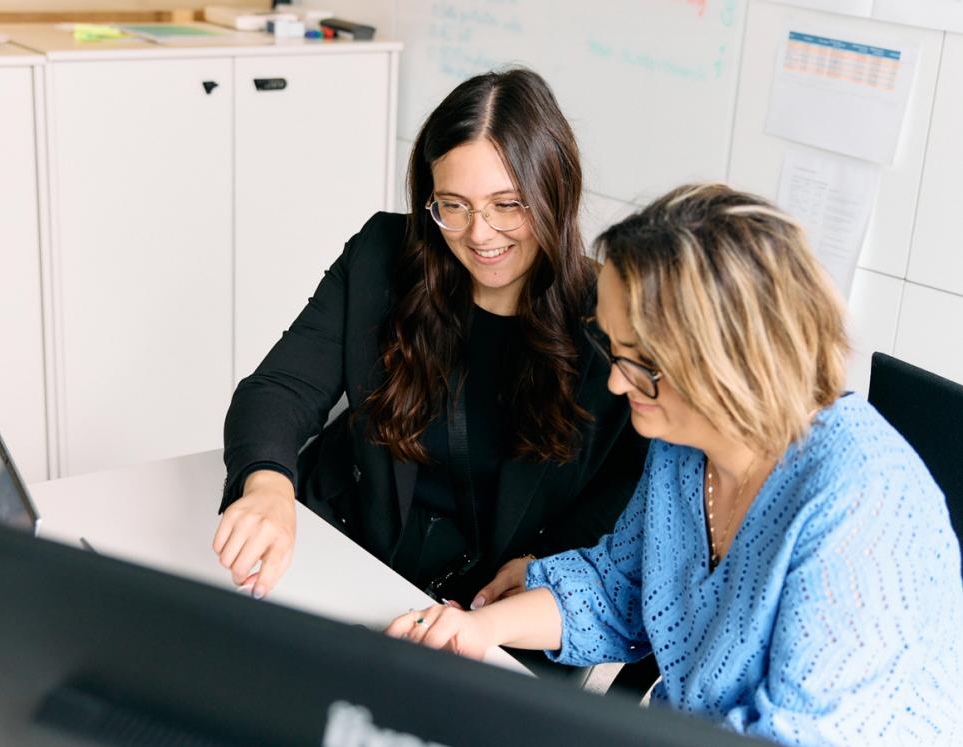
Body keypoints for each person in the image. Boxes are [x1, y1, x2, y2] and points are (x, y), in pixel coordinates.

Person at [386, 184, 963, 745]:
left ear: (725, 364)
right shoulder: (688, 443)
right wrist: (478, 630)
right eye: (614, 348)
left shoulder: (862, 507)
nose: (616, 381)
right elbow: (625, 590)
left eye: (641, 365)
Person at [212, 68, 649, 610]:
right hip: (345, 549)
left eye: (507, 204)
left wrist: (551, 562)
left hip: (493, 601)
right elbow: (280, 388)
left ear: (555, 192)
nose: (479, 233)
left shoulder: (611, 315)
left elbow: (636, 479)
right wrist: (268, 485)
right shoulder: (380, 254)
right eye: (454, 205)